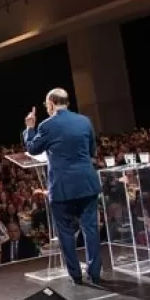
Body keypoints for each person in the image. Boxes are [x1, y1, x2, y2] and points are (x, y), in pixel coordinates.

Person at [23, 87, 102, 284]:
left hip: (62, 188)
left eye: (46, 105)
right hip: (86, 183)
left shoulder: (47, 125)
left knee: (66, 233)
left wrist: (30, 127)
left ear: (50, 104)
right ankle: (95, 272)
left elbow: (32, 148)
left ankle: (76, 275)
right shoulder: (85, 121)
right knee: (90, 229)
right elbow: (92, 150)